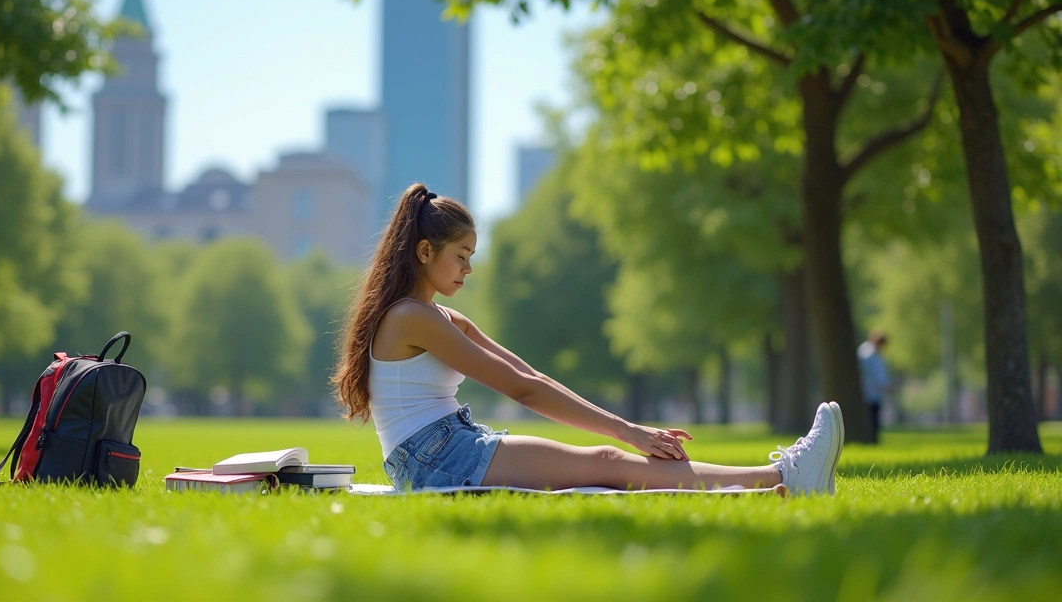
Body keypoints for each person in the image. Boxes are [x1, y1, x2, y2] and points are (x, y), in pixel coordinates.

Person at [332, 184, 844, 495]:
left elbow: (531, 376)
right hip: (437, 460)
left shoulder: (440, 318)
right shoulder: (410, 318)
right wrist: (627, 432)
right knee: (607, 463)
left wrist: (628, 428)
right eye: (460, 256)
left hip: (452, 447)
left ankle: (781, 476)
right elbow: (522, 392)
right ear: (425, 251)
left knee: (606, 465)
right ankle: (784, 477)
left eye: (471, 256)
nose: (468, 268)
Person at [857, 329, 891, 443]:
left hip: (875, 393)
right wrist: (883, 385)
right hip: (869, 392)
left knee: (875, 419)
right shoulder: (867, 354)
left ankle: (873, 440)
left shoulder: (875, 354)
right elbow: (872, 375)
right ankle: (871, 440)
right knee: (871, 419)